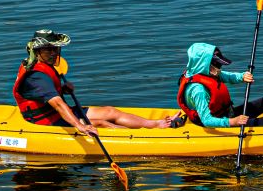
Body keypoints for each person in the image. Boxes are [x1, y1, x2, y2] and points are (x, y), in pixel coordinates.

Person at [13, 30, 182, 134]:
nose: (54, 52)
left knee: (110, 111)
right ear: (37, 51)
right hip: (46, 122)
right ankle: (147, 138)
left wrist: (62, 89)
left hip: (56, 113)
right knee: (101, 123)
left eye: (55, 48)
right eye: (48, 49)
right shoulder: (36, 76)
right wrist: (80, 126)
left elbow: (45, 95)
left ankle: (157, 124)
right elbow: (57, 104)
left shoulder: (42, 64)